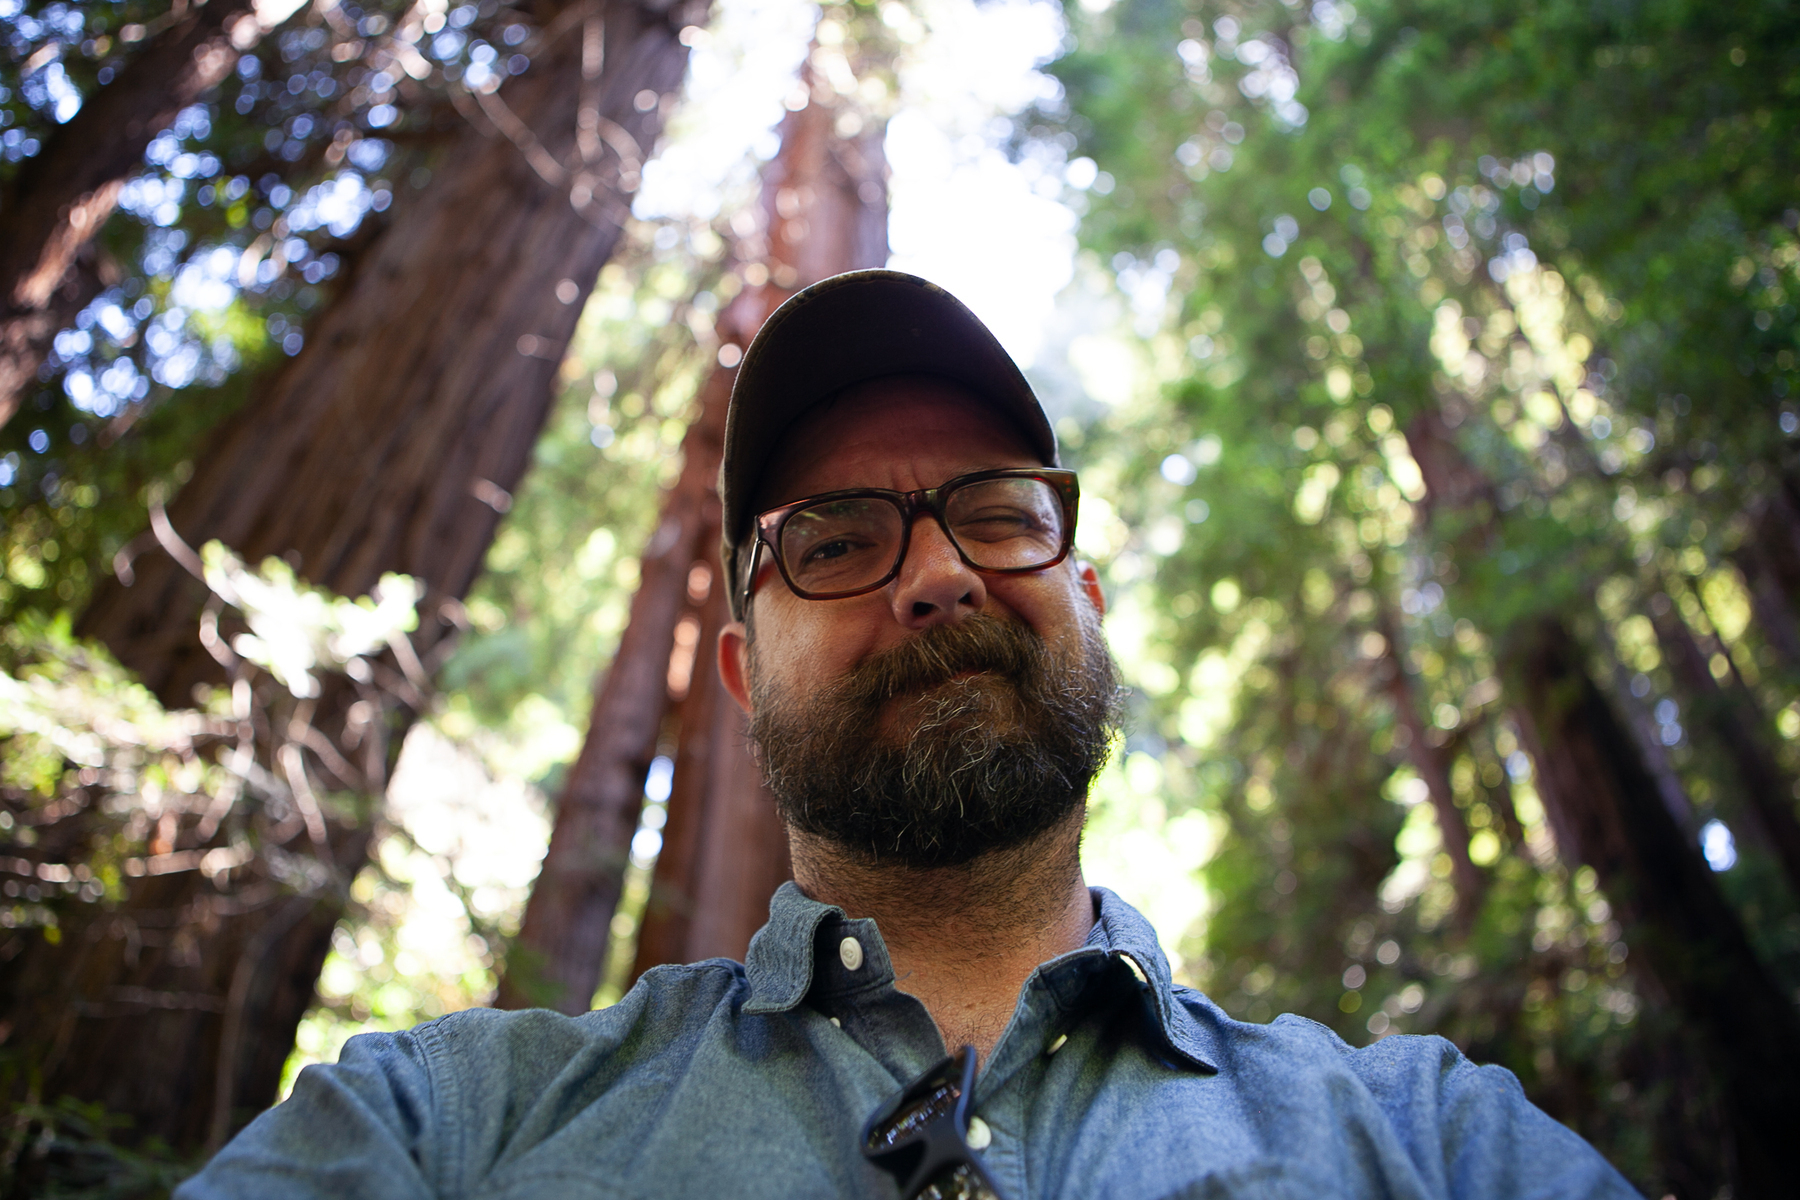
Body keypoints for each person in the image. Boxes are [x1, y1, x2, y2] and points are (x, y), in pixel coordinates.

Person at [178, 270, 1638, 1199]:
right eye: (833, 537)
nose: (938, 573)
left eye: (999, 515)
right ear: (741, 670)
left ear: (1089, 598)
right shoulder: (451, 1130)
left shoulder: (1433, 1146)